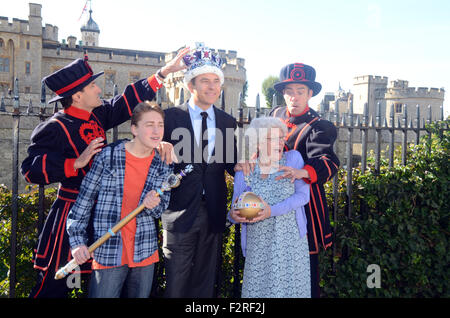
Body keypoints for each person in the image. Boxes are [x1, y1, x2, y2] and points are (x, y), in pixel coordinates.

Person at [21, 49, 188, 298]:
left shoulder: (96, 115)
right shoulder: (55, 127)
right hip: (73, 216)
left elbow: (125, 102)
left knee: (103, 288)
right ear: (77, 96)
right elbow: (30, 169)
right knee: (62, 288)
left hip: (108, 216)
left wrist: (163, 73)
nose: (99, 90)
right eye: (92, 86)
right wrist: (74, 163)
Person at [66, 101, 171, 298]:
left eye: (160, 125)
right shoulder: (109, 156)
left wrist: (153, 204)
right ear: (134, 129)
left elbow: (161, 209)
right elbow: (84, 200)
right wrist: (77, 241)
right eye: (149, 125)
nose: (157, 131)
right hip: (108, 249)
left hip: (144, 252)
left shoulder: (162, 165)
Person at [161, 44, 237, 298]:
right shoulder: (169, 118)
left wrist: (250, 166)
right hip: (179, 211)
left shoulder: (227, 121)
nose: (213, 86)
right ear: (190, 85)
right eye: (205, 80)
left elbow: (230, 163)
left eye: (217, 81)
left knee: (205, 284)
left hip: (213, 212)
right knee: (176, 284)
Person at [270, 63, 340, 298]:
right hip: (272, 203)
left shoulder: (320, 126)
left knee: (305, 275)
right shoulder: (275, 115)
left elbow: (329, 162)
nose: (294, 97)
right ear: (283, 93)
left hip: (304, 208)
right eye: (290, 91)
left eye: (300, 91)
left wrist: (303, 172)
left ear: (310, 94)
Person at [228, 117, 311, 297]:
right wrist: (234, 216)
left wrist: (271, 211)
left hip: (290, 242)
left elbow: (303, 196)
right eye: (272, 138)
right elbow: (233, 209)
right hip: (258, 244)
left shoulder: (293, 159)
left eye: (281, 138)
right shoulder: (245, 170)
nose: (279, 143)